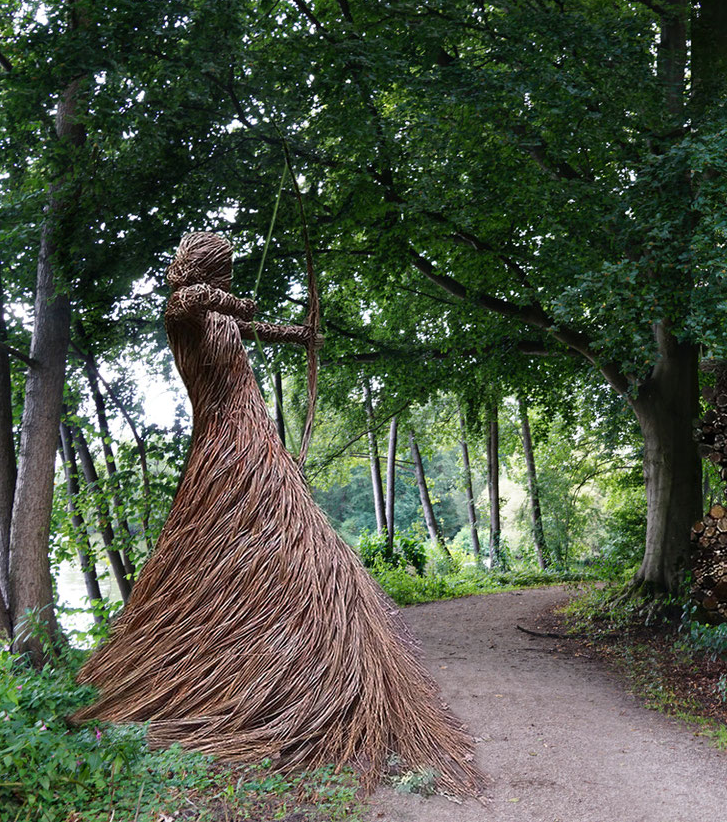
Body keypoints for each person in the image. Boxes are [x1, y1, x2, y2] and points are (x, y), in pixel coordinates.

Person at [75, 231, 480, 793]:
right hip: (227, 445)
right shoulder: (185, 309)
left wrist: (301, 334)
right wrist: (234, 302)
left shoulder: (218, 315)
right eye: (227, 269)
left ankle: (319, 669)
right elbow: (191, 301)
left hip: (256, 438)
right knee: (240, 545)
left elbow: (258, 328)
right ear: (209, 268)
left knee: (309, 554)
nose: (232, 278)